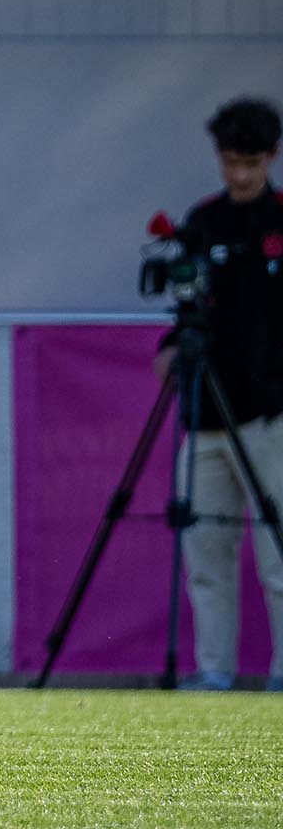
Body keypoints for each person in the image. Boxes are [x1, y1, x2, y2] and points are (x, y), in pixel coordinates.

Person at [156, 96, 283, 692]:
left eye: (250, 163)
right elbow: (188, 307)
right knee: (207, 550)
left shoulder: (281, 221)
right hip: (204, 413)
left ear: (271, 157)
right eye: (230, 162)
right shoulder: (202, 221)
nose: (239, 175)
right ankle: (214, 672)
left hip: (269, 416)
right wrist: (171, 346)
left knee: (278, 555)